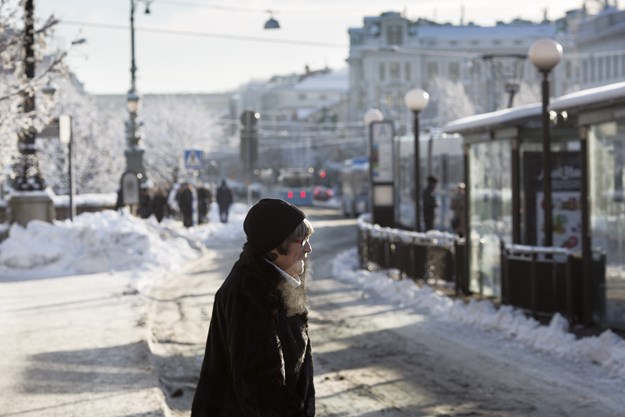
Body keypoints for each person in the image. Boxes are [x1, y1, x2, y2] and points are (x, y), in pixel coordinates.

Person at [191, 198, 315, 417]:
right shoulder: (250, 294)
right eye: (301, 240)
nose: (309, 248)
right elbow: (259, 390)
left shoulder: (277, 283)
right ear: (276, 246)